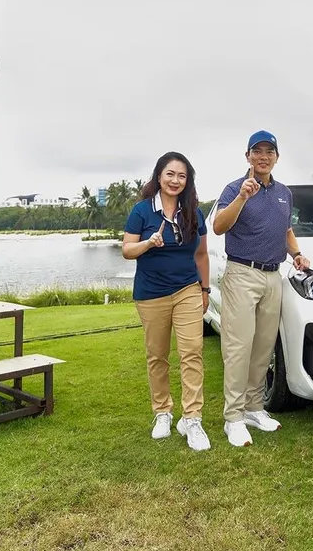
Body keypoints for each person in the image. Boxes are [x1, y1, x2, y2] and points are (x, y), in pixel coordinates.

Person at [211, 130, 310, 448]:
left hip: (273, 276)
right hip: (242, 273)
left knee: (263, 347)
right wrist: (242, 196)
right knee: (238, 348)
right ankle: (234, 417)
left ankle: (254, 408)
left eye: (270, 151)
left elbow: (287, 229)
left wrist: (296, 253)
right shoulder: (234, 188)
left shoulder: (284, 193)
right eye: (257, 151)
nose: (263, 156)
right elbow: (218, 226)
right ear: (248, 156)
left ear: (277, 157)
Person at [122, 151, 211, 452]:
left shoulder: (194, 213)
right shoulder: (142, 211)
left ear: (188, 181)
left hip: (187, 288)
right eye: (170, 174)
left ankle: (192, 418)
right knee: (157, 356)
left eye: (182, 176)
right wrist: (147, 243)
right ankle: (163, 412)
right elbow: (127, 250)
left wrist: (205, 290)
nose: (175, 180)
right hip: (151, 293)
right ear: (159, 176)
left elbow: (201, 254)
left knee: (192, 353)